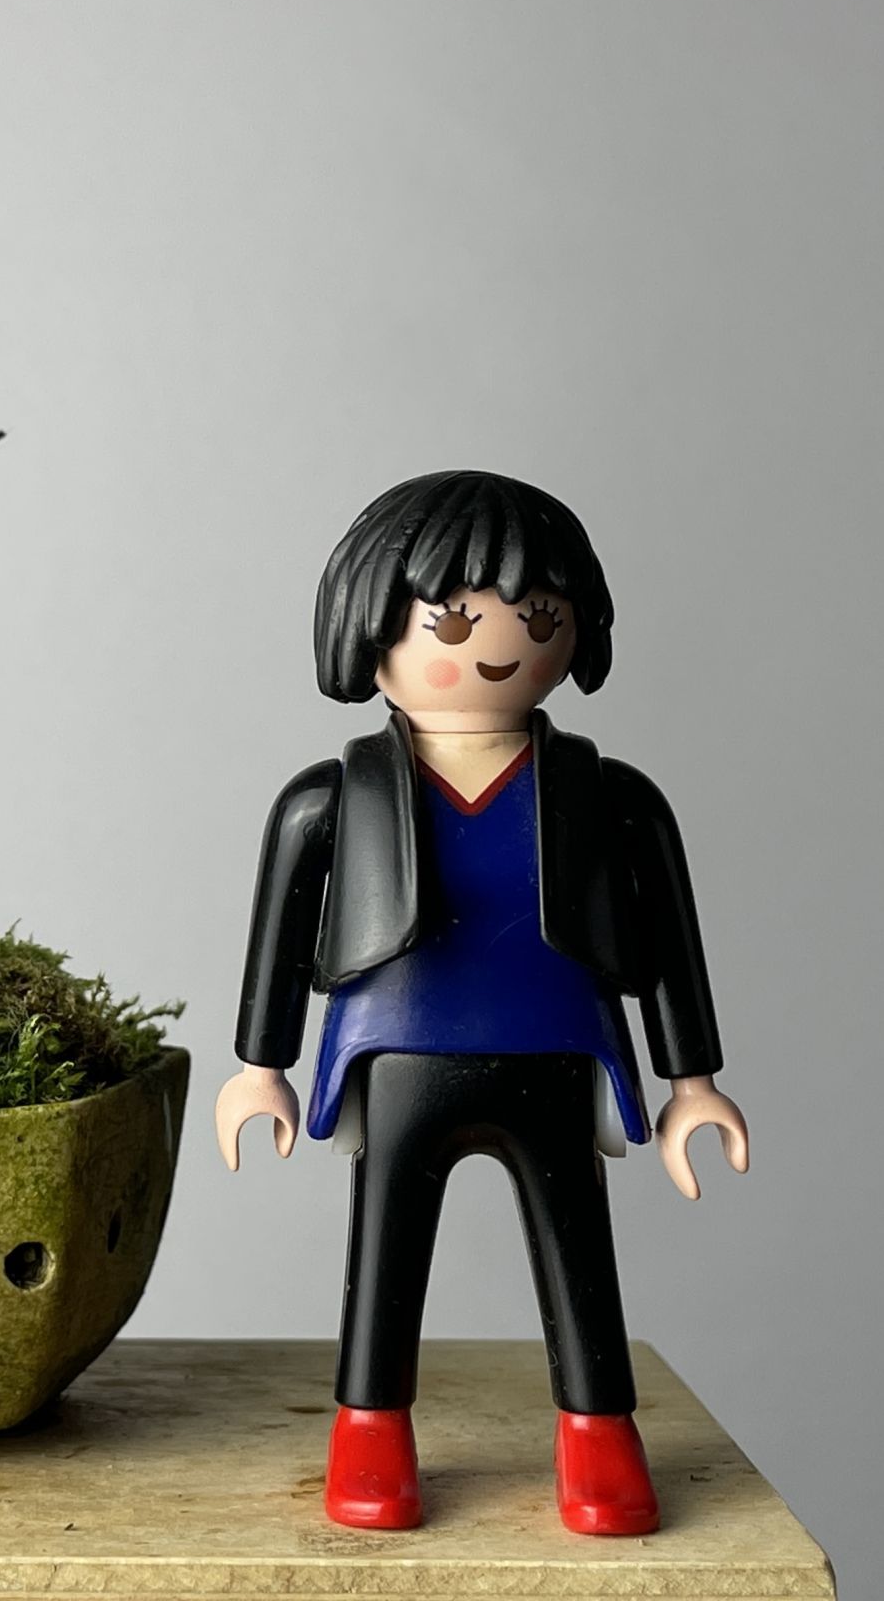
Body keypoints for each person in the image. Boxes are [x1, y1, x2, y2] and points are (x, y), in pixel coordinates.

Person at [215, 471, 748, 1535]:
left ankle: (598, 1435)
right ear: (369, 627)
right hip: (397, 1055)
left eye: (538, 619)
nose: (496, 646)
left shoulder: (609, 798)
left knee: (576, 1247)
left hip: (555, 1051)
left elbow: (667, 945)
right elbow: (277, 932)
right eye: (451, 622)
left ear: (577, 630)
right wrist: (259, 1066)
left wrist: (691, 1081)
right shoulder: (335, 797)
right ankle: (370, 1428)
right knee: (385, 1247)